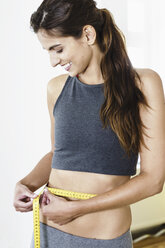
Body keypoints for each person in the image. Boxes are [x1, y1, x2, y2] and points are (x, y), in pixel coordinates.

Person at [13, 0, 165, 247]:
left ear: (87, 34)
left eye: (58, 49)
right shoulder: (56, 88)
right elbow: (57, 154)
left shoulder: (143, 84)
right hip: (49, 234)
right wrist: (27, 183)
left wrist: (78, 208)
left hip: (104, 239)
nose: (53, 62)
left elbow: (153, 180)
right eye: (48, 51)